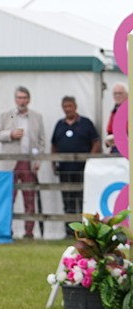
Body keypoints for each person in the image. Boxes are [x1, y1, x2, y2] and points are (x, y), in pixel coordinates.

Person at [0, 86, 46, 239]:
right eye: (19, 98)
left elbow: (41, 141)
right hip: (10, 163)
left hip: (28, 161)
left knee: (30, 198)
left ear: (29, 99)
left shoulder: (37, 117)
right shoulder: (7, 115)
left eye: (24, 98)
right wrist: (10, 134)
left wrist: (38, 159)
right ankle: (6, 230)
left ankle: (29, 232)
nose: (22, 101)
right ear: (15, 100)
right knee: (9, 197)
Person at [51, 95, 101, 229]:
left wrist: (90, 160)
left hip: (83, 168)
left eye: (70, 106)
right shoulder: (59, 125)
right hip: (65, 169)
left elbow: (96, 142)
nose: (68, 109)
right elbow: (54, 145)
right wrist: (53, 162)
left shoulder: (86, 123)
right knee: (68, 199)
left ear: (75, 106)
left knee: (83, 198)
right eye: (65, 107)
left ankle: (85, 229)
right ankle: (70, 230)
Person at [104, 82, 126, 154]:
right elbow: (110, 131)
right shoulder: (114, 111)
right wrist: (108, 141)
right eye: (115, 93)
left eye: (120, 93)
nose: (117, 95)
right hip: (116, 149)